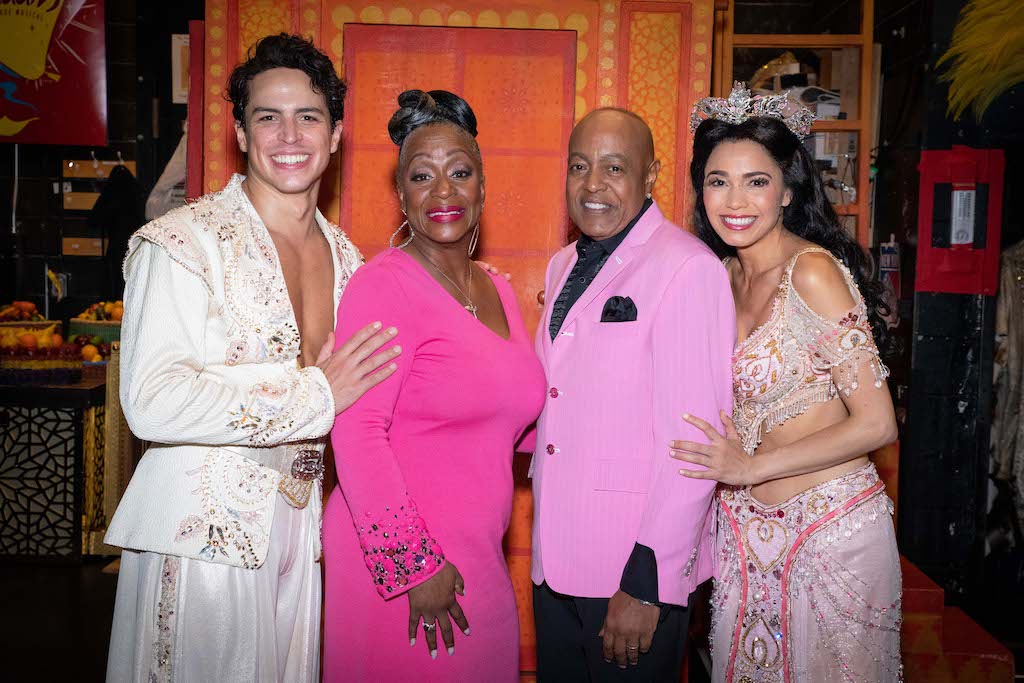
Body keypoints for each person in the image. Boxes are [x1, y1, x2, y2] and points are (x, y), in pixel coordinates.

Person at [104, 34, 403, 682]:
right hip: (204, 536)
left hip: (303, 532)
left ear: (336, 133)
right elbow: (151, 400)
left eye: (309, 116)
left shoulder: (350, 260)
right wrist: (315, 394)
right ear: (240, 132)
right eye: (268, 116)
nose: (289, 136)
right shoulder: (182, 242)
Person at [674, 83, 902, 682]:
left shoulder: (813, 272)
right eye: (718, 181)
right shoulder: (717, 277)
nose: (735, 200)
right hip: (743, 536)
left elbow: (878, 423)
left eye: (756, 181)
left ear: (788, 190)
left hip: (831, 532)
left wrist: (750, 467)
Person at [322, 90, 546, 682]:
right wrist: (412, 565)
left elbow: (511, 420)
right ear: (401, 195)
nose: (443, 191)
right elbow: (356, 431)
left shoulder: (497, 290)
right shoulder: (381, 286)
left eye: (460, 172)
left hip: (478, 550)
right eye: (422, 176)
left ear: (482, 186)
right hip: (402, 561)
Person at [529, 107, 736, 681]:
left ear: (651, 175)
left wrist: (648, 582)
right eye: (579, 166)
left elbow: (696, 443)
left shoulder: (688, 267)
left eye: (614, 168)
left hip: (632, 573)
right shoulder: (561, 265)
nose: (592, 184)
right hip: (554, 563)